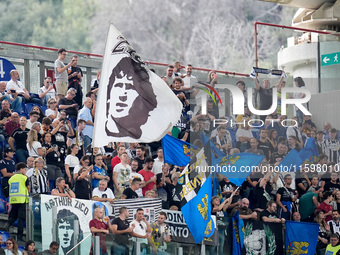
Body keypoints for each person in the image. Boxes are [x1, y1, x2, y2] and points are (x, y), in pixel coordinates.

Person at [104, 56, 157, 139]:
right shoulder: (99, 128)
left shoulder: (137, 135)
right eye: (118, 85)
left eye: (130, 88)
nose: (123, 95)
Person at [6, 163, 29, 242]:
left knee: (13, 215)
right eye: (25, 169)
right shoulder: (24, 178)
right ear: (21, 169)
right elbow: (28, 188)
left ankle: (8, 224)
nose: (26, 171)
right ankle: (19, 236)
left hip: (13, 200)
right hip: (22, 200)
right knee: (21, 219)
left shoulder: (11, 178)